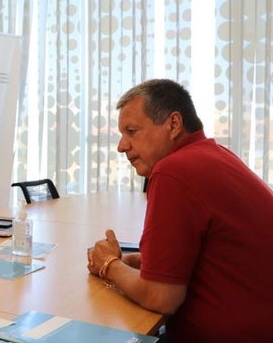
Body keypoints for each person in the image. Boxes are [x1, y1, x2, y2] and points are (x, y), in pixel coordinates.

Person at [87, 79, 273, 342]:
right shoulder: (216, 155)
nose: (121, 146)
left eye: (131, 131)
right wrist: (143, 262)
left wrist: (109, 265)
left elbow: (162, 297)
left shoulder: (172, 170)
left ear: (173, 124)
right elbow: (216, 253)